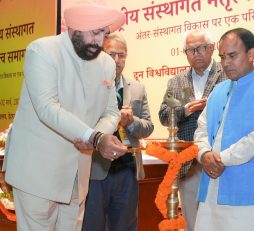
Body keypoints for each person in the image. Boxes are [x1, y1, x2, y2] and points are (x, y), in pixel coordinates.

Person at [3, 0, 128, 230]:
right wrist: (94, 137)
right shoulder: (42, 51)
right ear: (75, 27)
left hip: (77, 173)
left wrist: (97, 135)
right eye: (95, 33)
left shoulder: (106, 64)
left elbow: (111, 112)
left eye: (105, 33)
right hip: (37, 172)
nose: (100, 42)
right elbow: (47, 108)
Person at [194, 28, 254, 231]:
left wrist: (220, 159)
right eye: (222, 56)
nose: (225, 62)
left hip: (252, 196)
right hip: (212, 191)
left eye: (232, 55)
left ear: (252, 54)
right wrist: (204, 154)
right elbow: (201, 128)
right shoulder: (217, 91)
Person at [82, 32, 154, 231]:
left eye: (121, 55)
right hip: (96, 168)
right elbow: (80, 125)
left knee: (125, 225)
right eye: (111, 53)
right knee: (91, 225)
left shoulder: (137, 88)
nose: (116, 60)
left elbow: (148, 127)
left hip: (127, 168)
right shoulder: (88, 86)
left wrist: (131, 123)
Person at [158, 29, 226, 231]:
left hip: (219, 157)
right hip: (188, 161)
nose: (196, 53)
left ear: (212, 48)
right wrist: (186, 109)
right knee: (190, 219)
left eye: (201, 48)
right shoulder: (177, 82)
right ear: (185, 53)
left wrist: (211, 108)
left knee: (219, 218)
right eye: (191, 50)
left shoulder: (226, 75)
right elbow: (164, 115)